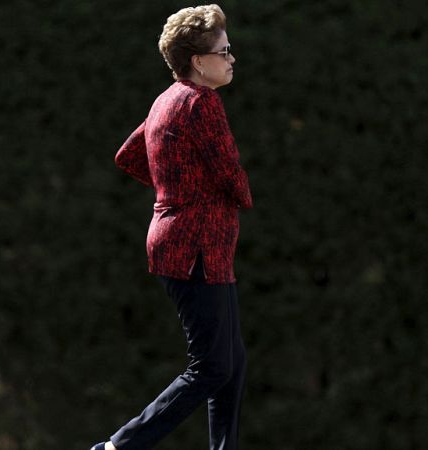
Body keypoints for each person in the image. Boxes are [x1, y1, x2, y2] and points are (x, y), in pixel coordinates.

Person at [91, 4, 252, 450]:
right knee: (211, 366)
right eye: (223, 51)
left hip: (195, 247)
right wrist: (233, 194)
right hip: (196, 247)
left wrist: (176, 187)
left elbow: (128, 155)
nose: (231, 58)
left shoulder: (167, 99)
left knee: (232, 361)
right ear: (198, 61)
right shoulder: (201, 102)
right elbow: (230, 173)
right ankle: (117, 447)